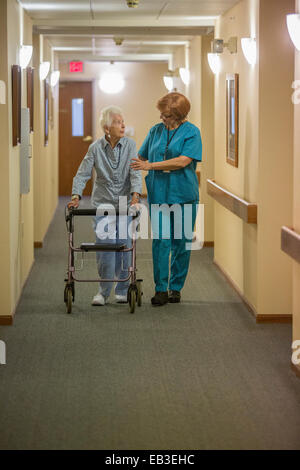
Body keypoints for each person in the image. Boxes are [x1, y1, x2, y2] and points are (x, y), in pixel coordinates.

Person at [131, 92, 202, 306]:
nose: (163, 119)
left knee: (181, 243)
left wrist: (151, 166)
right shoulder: (156, 131)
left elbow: (182, 161)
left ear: (180, 115)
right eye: (162, 115)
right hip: (159, 194)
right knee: (161, 242)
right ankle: (160, 288)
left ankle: (175, 287)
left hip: (184, 195)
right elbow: (141, 157)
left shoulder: (192, 132)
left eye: (168, 116)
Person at [68, 106, 142, 306]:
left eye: (123, 121)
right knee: (105, 247)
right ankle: (103, 291)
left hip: (126, 203)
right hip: (102, 203)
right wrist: (76, 195)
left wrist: (136, 196)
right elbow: (83, 173)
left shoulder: (130, 145)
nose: (123, 125)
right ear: (107, 127)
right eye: (118, 121)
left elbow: (135, 172)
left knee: (124, 245)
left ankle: (123, 288)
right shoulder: (95, 148)